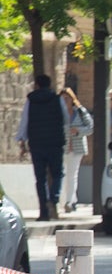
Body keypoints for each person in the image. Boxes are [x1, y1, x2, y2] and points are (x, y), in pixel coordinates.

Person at [16, 73, 69, 221]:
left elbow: (24, 122)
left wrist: (22, 140)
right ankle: (54, 198)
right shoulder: (57, 100)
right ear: (49, 85)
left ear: (37, 85)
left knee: (40, 178)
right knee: (58, 173)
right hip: (55, 143)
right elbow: (65, 119)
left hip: (37, 144)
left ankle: (44, 212)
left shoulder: (30, 101)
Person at [59, 87, 93, 214]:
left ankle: (70, 201)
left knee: (72, 175)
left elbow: (90, 127)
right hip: (63, 147)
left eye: (67, 98)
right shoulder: (59, 113)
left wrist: (78, 131)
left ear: (72, 99)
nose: (65, 101)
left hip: (77, 148)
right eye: (62, 99)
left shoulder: (80, 111)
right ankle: (68, 200)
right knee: (63, 175)